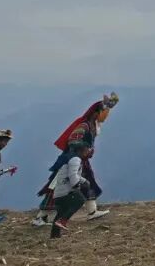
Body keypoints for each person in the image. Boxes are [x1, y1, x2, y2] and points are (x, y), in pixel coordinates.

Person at [33, 92, 118, 226]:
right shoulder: (84, 126)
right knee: (58, 187)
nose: (106, 116)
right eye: (104, 112)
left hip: (80, 160)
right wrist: (85, 149)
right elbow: (73, 141)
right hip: (70, 160)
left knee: (88, 182)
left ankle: (92, 211)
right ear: (96, 113)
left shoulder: (92, 126)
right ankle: (40, 217)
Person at [49, 142, 94, 239]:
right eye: (86, 150)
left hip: (59, 193)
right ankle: (63, 221)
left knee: (61, 212)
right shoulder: (75, 159)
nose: (88, 152)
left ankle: (54, 235)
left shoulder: (70, 158)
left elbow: (73, 174)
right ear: (80, 151)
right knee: (80, 200)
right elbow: (73, 175)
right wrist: (76, 185)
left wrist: (84, 181)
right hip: (66, 191)